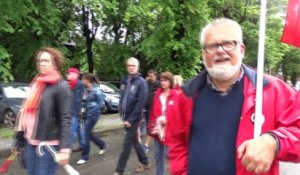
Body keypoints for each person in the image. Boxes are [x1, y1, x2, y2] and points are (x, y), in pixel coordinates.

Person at [166, 18, 300, 175]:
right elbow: (176, 143)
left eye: (229, 43)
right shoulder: (186, 95)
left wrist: (275, 142)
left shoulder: (273, 90)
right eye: (212, 46)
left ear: (242, 50)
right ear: (203, 54)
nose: (221, 50)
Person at [12, 47, 72, 175]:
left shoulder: (61, 87)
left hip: (48, 144)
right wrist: (19, 139)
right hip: (30, 142)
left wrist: (64, 149)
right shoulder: (36, 84)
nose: (41, 64)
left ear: (55, 63)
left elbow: (65, 119)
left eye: (45, 60)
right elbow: (25, 113)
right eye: (39, 61)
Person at [114, 57, 149, 175]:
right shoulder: (124, 80)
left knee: (126, 145)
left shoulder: (142, 83)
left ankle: (119, 170)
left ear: (137, 67)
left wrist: (131, 119)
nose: (131, 67)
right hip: (125, 117)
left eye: (133, 65)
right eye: (129, 65)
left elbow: (140, 103)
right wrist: (120, 111)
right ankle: (145, 161)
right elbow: (122, 97)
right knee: (134, 141)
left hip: (133, 119)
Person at [148, 71, 178, 175]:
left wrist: (168, 121)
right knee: (157, 155)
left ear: (170, 81)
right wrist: (151, 127)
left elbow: (178, 114)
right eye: (161, 80)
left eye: (165, 80)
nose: (162, 83)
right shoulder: (157, 94)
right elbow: (153, 113)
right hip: (157, 129)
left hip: (170, 131)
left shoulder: (176, 95)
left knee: (169, 155)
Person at [77, 73, 107, 165]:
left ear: (87, 80)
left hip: (93, 115)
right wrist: (81, 111)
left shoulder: (96, 90)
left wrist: (92, 110)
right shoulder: (86, 90)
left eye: (83, 79)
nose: (82, 80)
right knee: (89, 133)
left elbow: (101, 103)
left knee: (85, 134)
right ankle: (102, 145)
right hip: (86, 114)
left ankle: (84, 157)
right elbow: (84, 102)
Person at [140, 69, 160, 153]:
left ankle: (146, 145)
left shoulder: (158, 84)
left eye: (151, 76)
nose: (149, 77)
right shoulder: (146, 83)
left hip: (154, 109)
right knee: (148, 126)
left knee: (151, 126)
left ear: (155, 76)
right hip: (145, 108)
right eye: (148, 76)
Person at [66, 67, 85, 152]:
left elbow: (77, 99)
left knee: (72, 130)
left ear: (75, 75)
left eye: (69, 73)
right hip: (73, 110)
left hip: (74, 110)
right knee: (77, 128)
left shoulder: (79, 84)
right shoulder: (70, 84)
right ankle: (83, 144)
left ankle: (67, 148)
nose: (67, 75)